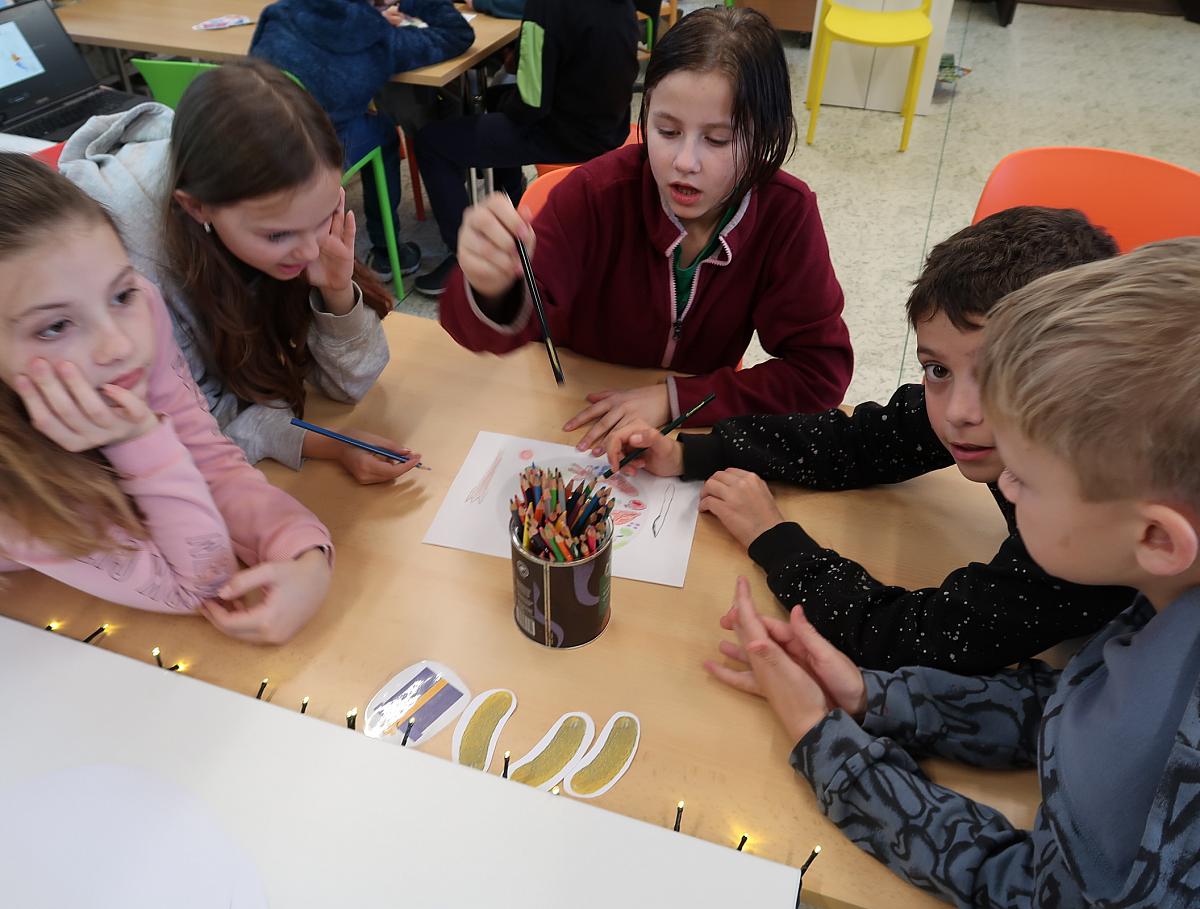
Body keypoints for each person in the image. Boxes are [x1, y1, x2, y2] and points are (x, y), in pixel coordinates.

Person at [705, 237, 1200, 908]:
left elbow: (1030, 892)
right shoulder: (1166, 600)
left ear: (1156, 537)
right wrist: (874, 697)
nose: (1005, 487)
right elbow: (1076, 701)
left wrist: (828, 744)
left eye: (1026, 477)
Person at [603, 207, 1133, 673]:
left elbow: (918, 641)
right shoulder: (1000, 424)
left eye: (1002, 375)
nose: (958, 413)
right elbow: (859, 441)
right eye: (938, 370)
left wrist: (774, 537)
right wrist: (694, 452)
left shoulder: (1087, 523)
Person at [441, 7, 852, 450]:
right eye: (667, 130)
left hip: (690, 432)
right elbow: (479, 333)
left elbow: (820, 372)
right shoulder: (593, 195)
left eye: (718, 139)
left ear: (765, 136)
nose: (685, 162)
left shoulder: (786, 213)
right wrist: (492, 288)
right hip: (576, 412)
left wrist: (674, 398)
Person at [0, 153, 332, 644]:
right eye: (54, 326)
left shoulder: (140, 307)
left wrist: (302, 550)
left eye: (120, 295)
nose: (118, 345)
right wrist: (139, 440)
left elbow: (208, 459)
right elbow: (203, 583)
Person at [61, 61, 422, 484]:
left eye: (324, 216)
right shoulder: (135, 269)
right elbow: (194, 426)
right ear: (197, 208)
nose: (310, 250)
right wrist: (325, 444)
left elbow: (351, 384)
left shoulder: (270, 213)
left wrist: (337, 292)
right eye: (278, 235)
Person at [413, 0, 640, 295]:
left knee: (431, 142)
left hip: (569, 137)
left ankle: (466, 259)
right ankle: (511, 198)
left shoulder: (544, 7)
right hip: (611, 124)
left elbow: (531, 105)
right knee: (493, 100)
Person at [250, 0, 474, 282]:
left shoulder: (278, 15)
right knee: (385, 134)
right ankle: (386, 250)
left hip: (261, 142)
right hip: (322, 149)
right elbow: (458, 34)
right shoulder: (379, 40)